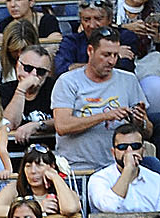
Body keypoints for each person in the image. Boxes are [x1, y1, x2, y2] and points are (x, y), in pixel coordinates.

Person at [52, 28, 146, 173]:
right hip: (77, 169)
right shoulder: (67, 81)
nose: (112, 61)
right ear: (90, 50)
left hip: (118, 168)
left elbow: (147, 131)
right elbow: (62, 126)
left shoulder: (129, 80)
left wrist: (140, 122)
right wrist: (106, 116)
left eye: (115, 55)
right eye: (106, 55)